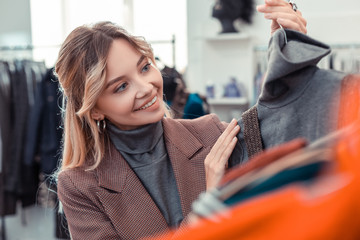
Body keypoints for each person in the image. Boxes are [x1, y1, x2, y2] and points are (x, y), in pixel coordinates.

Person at [55, 0, 307, 239]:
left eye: (144, 67)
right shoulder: (79, 185)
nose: (146, 87)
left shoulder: (209, 134)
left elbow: (290, 131)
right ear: (95, 109)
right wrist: (207, 206)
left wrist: (292, 50)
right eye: (121, 87)